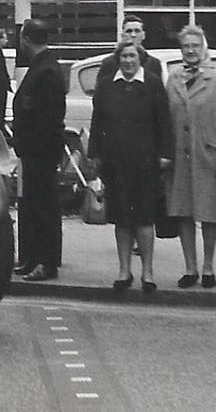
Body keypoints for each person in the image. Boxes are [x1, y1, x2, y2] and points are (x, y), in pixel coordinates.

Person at [89, 40, 173, 293]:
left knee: (144, 218)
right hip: (115, 162)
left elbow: (164, 121)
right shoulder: (106, 85)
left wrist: (166, 153)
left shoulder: (153, 84)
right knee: (122, 219)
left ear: (140, 59)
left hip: (145, 162)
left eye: (132, 56)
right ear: (118, 59)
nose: (127, 61)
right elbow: (97, 122)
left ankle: (147, 272)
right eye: (123, 56)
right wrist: (95, 155)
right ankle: (124, 270)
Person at [164, 24, 216, 289]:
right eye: (185, 46)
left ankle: (208, 267)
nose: (190, 51)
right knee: (184, 212)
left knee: (209, 213)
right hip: (180, 157)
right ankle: (190, 267)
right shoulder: (173, 77)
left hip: (209, 156)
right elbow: (166, 119)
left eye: (195, 46)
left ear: (203, 48)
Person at [11, 18, 67, 281]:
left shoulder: (47, 71)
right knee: (32, 206)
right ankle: (32, 257)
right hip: (33, 151)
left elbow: (49, 118)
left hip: (41, 151)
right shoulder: (41, 66)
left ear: (26, 39)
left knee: (44, 207)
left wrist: (32, 144)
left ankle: (47, 262)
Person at [98, 15, 161, 81]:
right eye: (129, 31)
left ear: (143, 35)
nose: (133, 35)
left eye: (137, 31)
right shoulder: (109, 63)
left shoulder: (154, 63)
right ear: (122, 35)